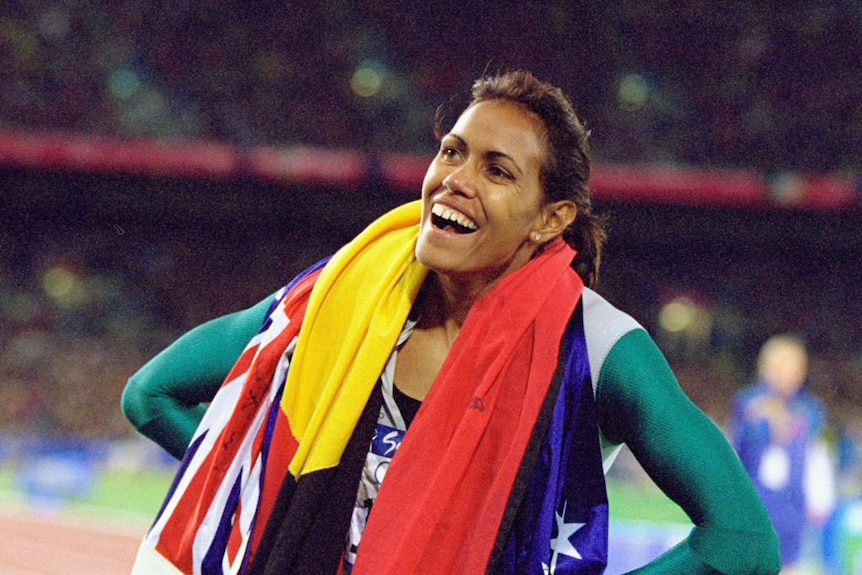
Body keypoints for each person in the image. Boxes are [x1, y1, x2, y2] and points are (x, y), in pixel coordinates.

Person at [122, 70, 780, 575]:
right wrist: (289, 506)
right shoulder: (341, 297)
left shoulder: (596, 346)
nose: (455, 180)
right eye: (453, 151)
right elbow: (149, 395)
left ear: (551, 219)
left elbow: (744, 540)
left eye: (497, 171)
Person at [732, 334, 835, 575]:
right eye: (783, 366)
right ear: (766, 367)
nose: (790, 374)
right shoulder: (748, 402)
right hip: (755, 508)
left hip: (793, 511)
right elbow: (741, 446)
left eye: (797, 367)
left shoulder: (810, 409)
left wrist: (820, 498)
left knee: (789, 566)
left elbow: (817, 456)